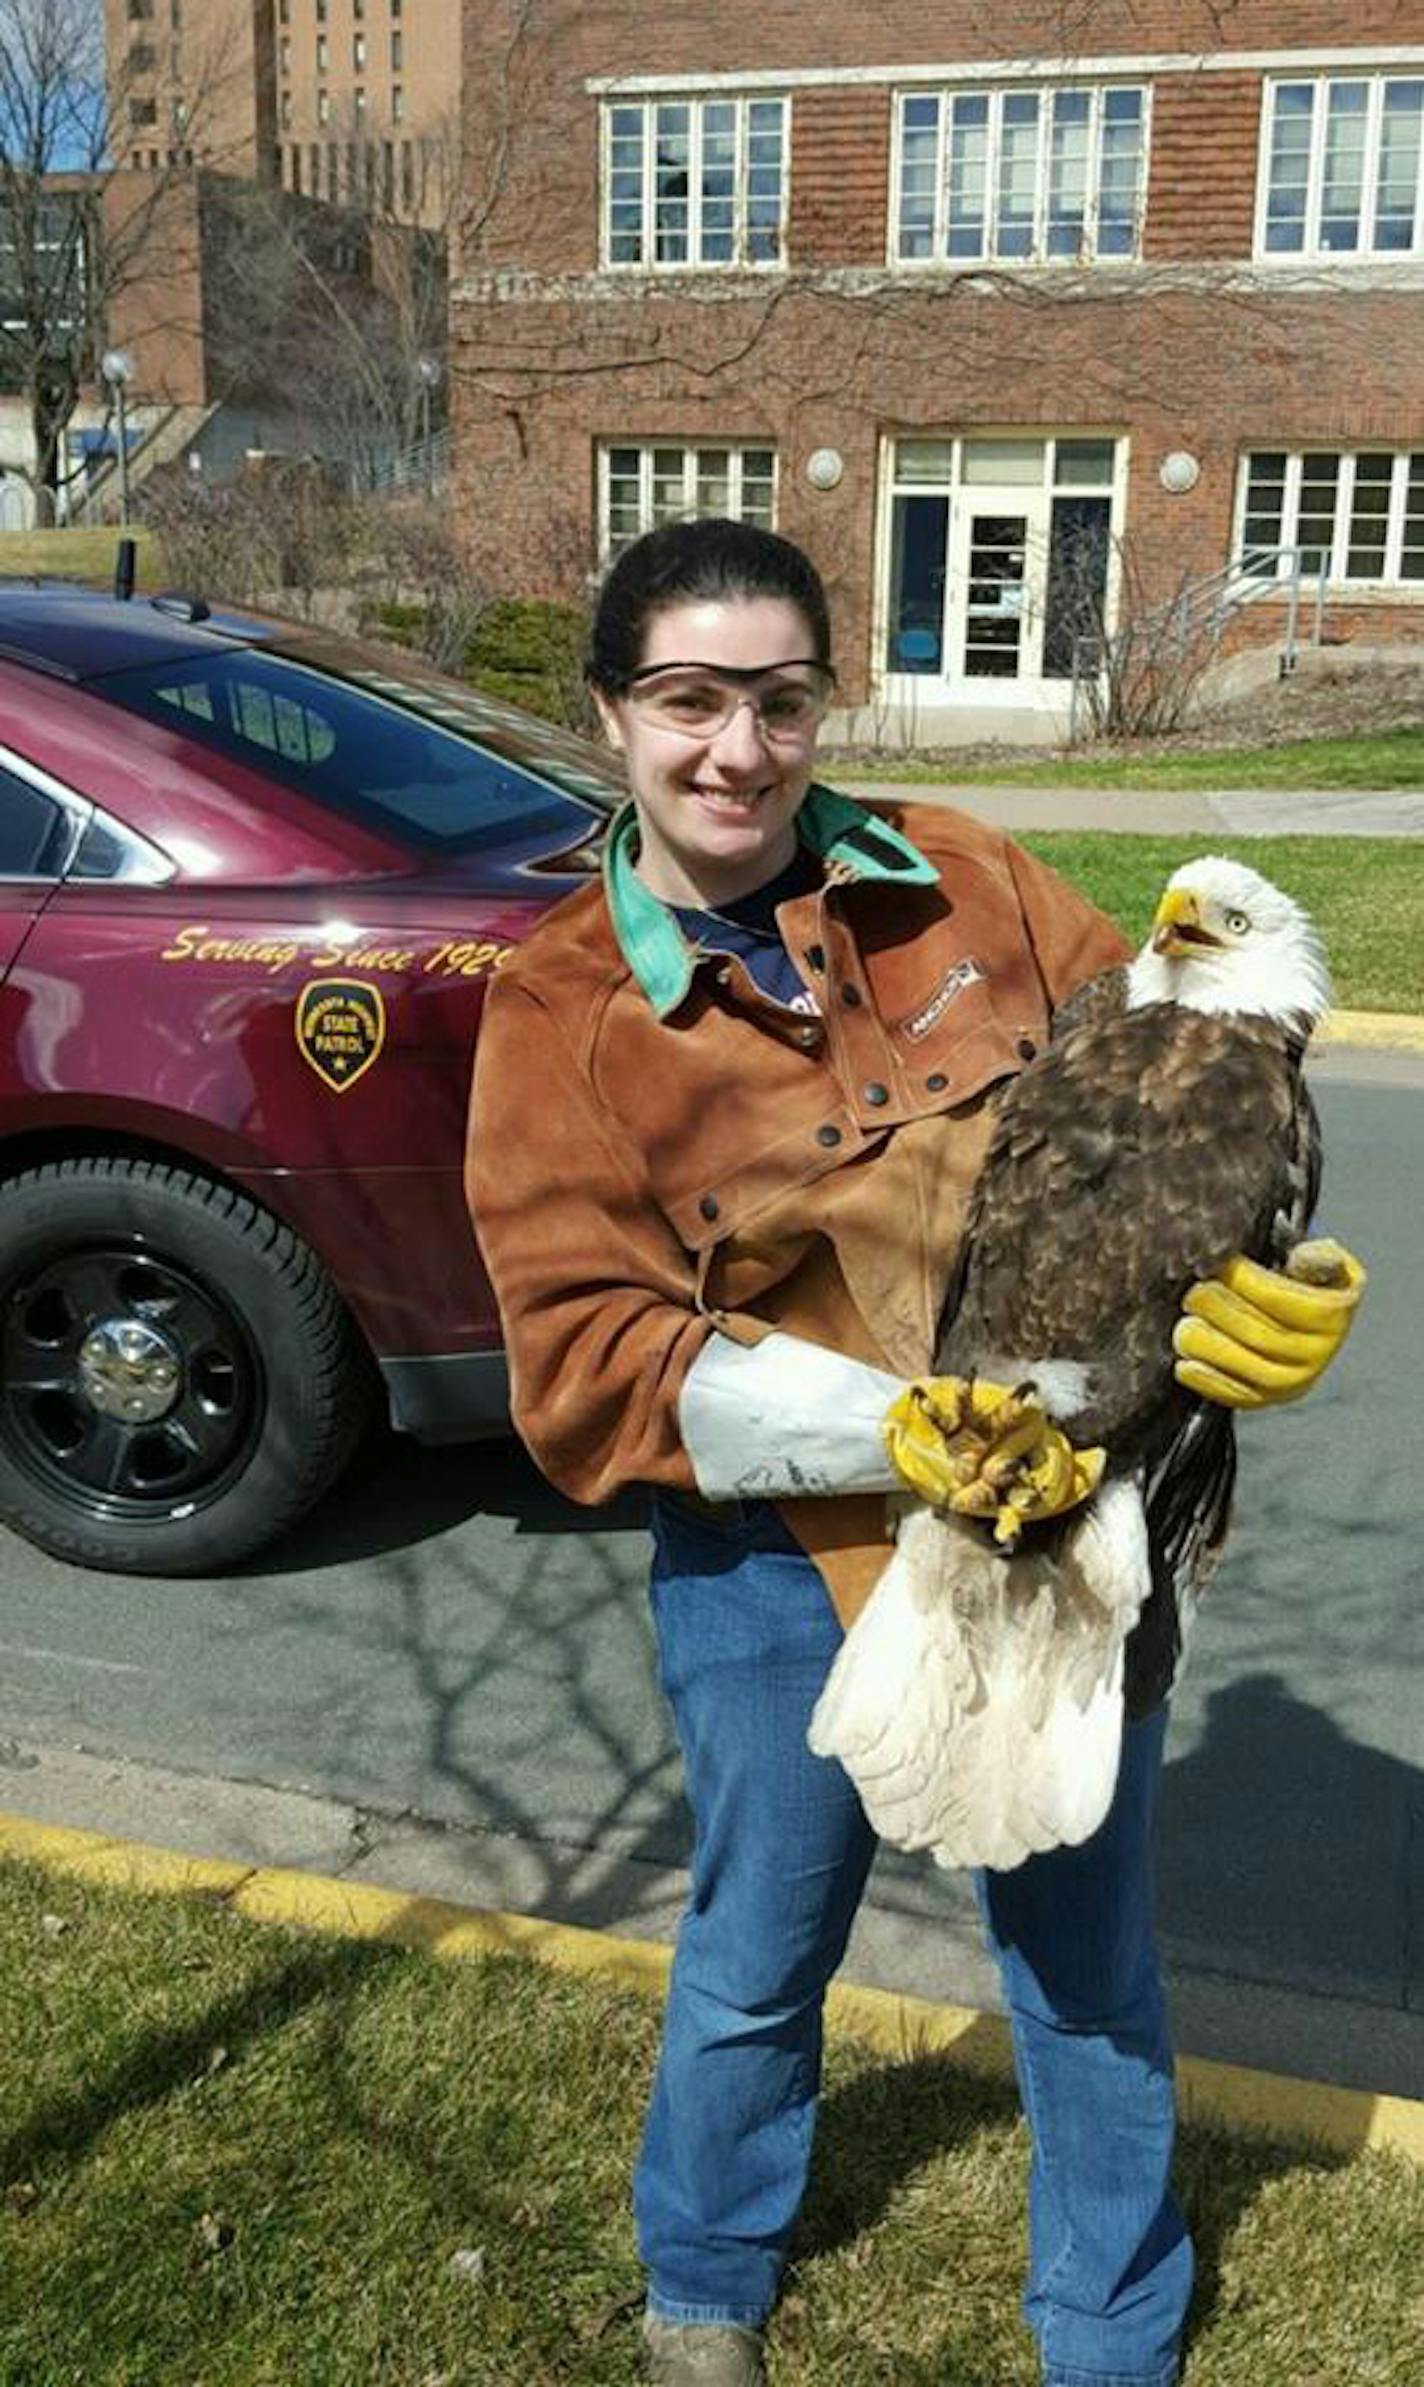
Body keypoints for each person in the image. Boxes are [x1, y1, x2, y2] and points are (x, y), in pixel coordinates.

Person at [467, 518, 1362, 2387]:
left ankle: (1110, 2325)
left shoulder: (968, 882)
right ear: (610, 714)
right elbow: (589, 1358)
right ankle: (704, 2282)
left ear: (822, 707)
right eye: (688, 701)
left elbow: (1189, 1071)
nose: (738, 749)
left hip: (1072, 1531)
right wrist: (901, 1428)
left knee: (1089, 1968)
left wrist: (1253, 1307)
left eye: (780, 702)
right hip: (785, 1561)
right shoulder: (564, 1009)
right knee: (756, 1952)